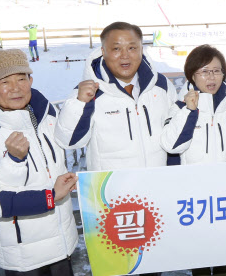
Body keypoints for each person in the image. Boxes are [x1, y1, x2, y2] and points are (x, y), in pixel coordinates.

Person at [0, 49, 78, 275]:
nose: (16, 87)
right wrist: (13, 160)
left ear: (31, 80)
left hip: (63, 241)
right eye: (5, 81)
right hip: (23, 255)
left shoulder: (47, 112)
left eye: (21, 78)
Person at [161, 45, 226, 276]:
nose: (211, 77)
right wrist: (190, 111)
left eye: (217, 71)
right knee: (198, 258)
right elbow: (171, 145)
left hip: (225, 198)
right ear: (192, 76)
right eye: (204, 71)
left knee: (224, 258)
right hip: (193, 200)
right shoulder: (178, 108)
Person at [55, 22, 177, 172]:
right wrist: (79, 104)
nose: (125, 56)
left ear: (141, 50)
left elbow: (175, 134)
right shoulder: (88, 93)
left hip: (157, 184)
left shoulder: (161, 86)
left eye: (132, 48)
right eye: (116, 49)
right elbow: (68, 141)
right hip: (112, 191)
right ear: (103, 51)